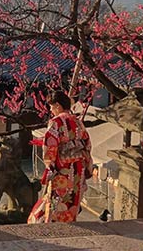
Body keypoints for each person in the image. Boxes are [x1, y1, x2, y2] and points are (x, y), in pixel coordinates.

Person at [27, 91, 92, 224]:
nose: (51, 110)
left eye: (51, 107)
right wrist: (86, 163)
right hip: (78, 166)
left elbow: (51, 145)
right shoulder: (78, 121)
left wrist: (49, 165)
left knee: (57, 197)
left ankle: (52, 223)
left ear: (57, 105)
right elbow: (87, 144)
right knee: (73, 197)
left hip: (62, 167)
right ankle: (70, 221)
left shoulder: (56, 122)